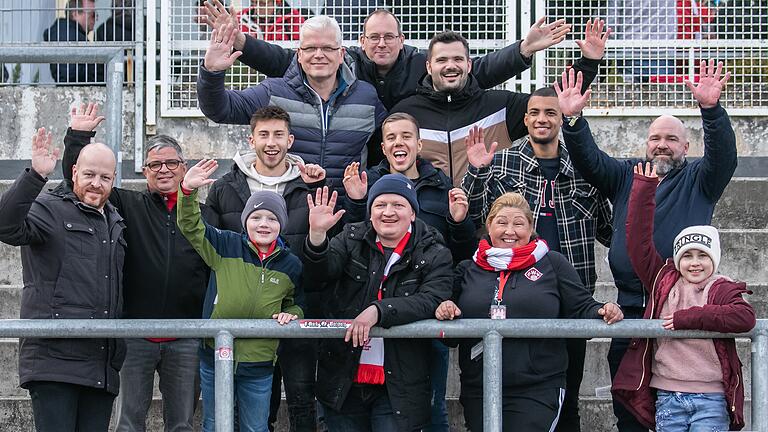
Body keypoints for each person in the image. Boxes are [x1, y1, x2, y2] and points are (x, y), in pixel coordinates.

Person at [555, 59, 737, 432]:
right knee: (630, 410)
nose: (662, 145)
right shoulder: (628, 174)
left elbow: (724, 157)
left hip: (683, 309)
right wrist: (573, 121)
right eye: (656, 138)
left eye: (671, 139)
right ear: (646, 143)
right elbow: (590, 162)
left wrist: (711, 110)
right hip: (632, 311)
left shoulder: (701, 177)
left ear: (686, 146)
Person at [460, 86, 613, 432]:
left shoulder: (584, 164)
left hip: (570, 297)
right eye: (535, 113)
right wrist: (476, 170)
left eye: (551, 113)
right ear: (525, 119)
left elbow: (609, 230)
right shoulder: (503, 162)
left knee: (567, 399)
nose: (542, 119)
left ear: (561, 118)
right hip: (518, 296)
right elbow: (472, 219)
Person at [57, 103, 213, 432]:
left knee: (182, 424)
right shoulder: (125, 205)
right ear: (145, 172)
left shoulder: (205, 215)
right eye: (155, 164)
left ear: (184, 168)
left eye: (172, 162)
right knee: (129, 424)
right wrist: (78, 137)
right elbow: (80, 179)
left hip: (187, 336)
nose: (164, 169)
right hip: (134, 334)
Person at [435, 192, 624, 432]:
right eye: (502, 222)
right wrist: (446, 309)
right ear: (489, 226)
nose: (510, 231)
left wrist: (603, 309)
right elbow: (449, 329)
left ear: (531, 227)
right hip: (480, 387)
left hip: (537, 387)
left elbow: (582, 306)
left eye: (518, 223)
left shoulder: (552, 263)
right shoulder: (467, 268)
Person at [341, 112, 475, 431]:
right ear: (383, 147)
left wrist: (459, 222)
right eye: (391, 138)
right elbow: (353, 243)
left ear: (418, 143)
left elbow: (461, 252)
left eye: (405, 136)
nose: (398, 142)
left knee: (433, 405)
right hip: (377, 311)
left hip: (428, 307)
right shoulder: (366, 184)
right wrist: (358, 202)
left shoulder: (443, 185)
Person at [201, 2, 571, 109]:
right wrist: (241, 42)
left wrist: (523, 50)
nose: (381, 44)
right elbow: (284, 59)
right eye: (373, 37)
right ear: (361, 42)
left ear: (402, 39)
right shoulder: (342, 61)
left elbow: (479, 70)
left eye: (389, 37)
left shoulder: (419, 63)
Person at [205, 105, 327, 431]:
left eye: (277, 135)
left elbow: (325, 248)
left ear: (291, 140)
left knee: (302, 402)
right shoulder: (225, 187)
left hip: (294, 314)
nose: (271, 142)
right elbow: (208, 251)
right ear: (251, 139)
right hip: (248, 325)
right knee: (257, 413)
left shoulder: (310, 185)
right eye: (263, 134)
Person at [612, 162, 755, 431]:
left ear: (714, 259)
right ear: (677, 260)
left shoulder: (721, 287)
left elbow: (744, 317)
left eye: (703, 255)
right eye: (687, 256)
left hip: (711, 398)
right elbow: (637, 242)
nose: (695, 263)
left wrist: (686, 318)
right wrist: (644, 190)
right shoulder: (663, 280)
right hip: (667, 396)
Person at [302, 177, 453, 431]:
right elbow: (319, 276)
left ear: (413, 213)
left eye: (398, 205)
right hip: (344, 378)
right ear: (370, 212)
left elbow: (432, 298)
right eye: (380, 205)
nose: (388, 212)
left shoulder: (434, 250)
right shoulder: (350, 238)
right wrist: (317, 236)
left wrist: (378, 311)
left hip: (399, 383)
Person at [0, 128, 125, 431]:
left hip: (101, 366)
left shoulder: (115, 221)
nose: (96, 183)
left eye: (105, 178)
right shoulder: (50, 208)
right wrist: (36, 176)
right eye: (89, 174)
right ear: (74, 172)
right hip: (54, 364)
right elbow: (5, 226)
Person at [390, 19, 610, 186]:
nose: (450, 66)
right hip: (426, 227)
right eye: (441, 60)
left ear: (468, 65)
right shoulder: (406, 113)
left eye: (457, 59)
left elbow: (557, 100)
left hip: (490, 230)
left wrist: (589, 62)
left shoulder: (499, 107)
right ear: (429, 67)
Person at [179, 160, 304, 432]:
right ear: (245, 221)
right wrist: (187, 192)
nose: (263, 224)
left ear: (281, 225)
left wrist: (292, 314)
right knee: (214, 425)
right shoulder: (225, 244)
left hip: (258, 362)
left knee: (255, 427)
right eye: (256, 217)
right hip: (215, 356)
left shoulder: (290, 263)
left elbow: (296, 302)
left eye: (272, 219)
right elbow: (191, 227)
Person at [196, 15, 387, 193]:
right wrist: (212, 72)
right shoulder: (273, 93)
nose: (318, 55)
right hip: (287, 212)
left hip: (347, 213)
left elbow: (387, 150)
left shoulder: (366, 97)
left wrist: (366, 184)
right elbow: (221, 110)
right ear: (299, 55)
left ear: (341, 54)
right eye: (310, 48)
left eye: (328, 48)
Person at [43, 0, 103, 83]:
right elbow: (68, 73)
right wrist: (96, 70)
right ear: (75, 14)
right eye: (92, 14)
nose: (95, 19)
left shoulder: (70, 33)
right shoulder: (65, 34)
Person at [235, 0, 304, 41]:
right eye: (255, 2)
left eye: (263, 3)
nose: (258, 7)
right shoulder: (241, 17)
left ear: (276, 3)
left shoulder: (293, 18)